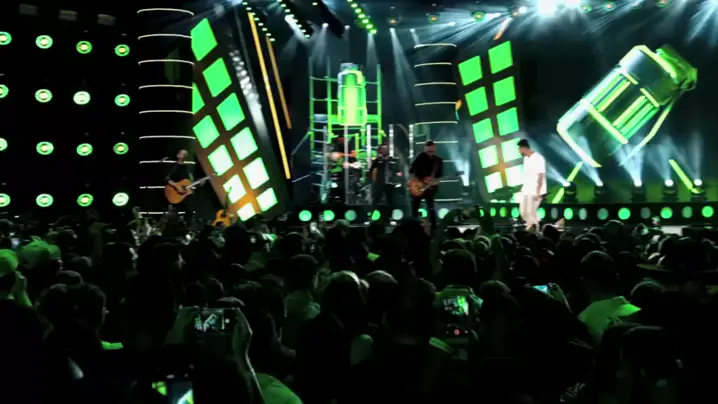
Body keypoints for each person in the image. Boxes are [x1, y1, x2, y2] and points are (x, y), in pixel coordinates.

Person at [409, 141, 443, 231]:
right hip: (418, 186)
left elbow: (439, 176)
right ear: (425, 148)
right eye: (428, 148)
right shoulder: (420, 157)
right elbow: (411, 170)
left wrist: (435, 182)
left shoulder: (438, 160)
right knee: (415, 206)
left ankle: (434, 228)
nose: (430, 150)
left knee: (431, 207)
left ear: (434, 148)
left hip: (430, 188)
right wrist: (417, 182)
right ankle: (413, 227)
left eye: (432, 148)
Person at [518, 139, 546, 232]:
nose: (519, 152)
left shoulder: (538, 158)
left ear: (524, 148)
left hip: (535, 191)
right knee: (523, 212)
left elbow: (541, 176)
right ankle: (537, 228)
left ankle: (535, 231)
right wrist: (522, 187)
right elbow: (526, 175)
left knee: (530, 212)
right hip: (527, 189)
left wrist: (538, 192)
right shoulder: (526, 159)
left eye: (520, 149)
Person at [165, 149, 195, 224]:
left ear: (183, 157)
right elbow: (167, 179)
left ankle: (186, 225)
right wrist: (176, 186)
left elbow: (189, 182)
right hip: (173, 191)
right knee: (173, 213)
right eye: (179, 152)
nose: (178, 153)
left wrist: (199, 183)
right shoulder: (173, 166)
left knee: (190, 209)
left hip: (183, 193)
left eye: (181, 153)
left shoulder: (187, 168)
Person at [369, 144, 402, 211]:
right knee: (376, 200)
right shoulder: (378, 160)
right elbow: (371, 170)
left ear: (388, 150)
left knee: (390, 201)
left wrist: (397, 175)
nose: (384, 150)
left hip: (390, 183)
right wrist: (372, 180)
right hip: (380, 183)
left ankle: (390, 216)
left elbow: (399, 172)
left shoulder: (393, 160)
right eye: (383, 149)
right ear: (381, 150)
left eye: (386, 148)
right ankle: (371, 215)